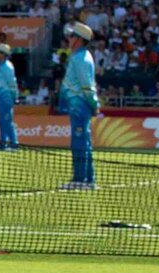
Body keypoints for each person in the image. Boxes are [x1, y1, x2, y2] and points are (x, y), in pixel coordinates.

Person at [58, 21, 100, 190]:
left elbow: (86, 86)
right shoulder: (80, 57)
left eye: (72, 36)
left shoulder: (81, 58)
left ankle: (80, 179)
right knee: (83, 141)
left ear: (79, 40)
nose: (69, 39)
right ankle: (87, 179)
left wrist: (94, 104)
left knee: (79, 142)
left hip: (79, 106)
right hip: (78, 106)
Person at [0, 43, 20, 150]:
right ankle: (3, 144)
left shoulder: (7, 67)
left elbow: (12, 83)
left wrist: (14, 97)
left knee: (7, 121)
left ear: (3, 55)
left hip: (6, 97)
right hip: (0, 97)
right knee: (2, 121)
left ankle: (13, 144)